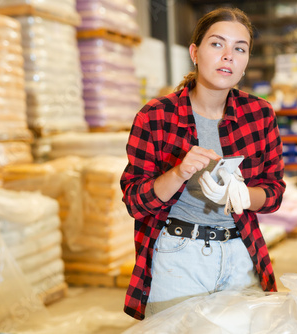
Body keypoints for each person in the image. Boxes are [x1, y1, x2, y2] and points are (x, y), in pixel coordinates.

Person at [120, 7, 285, 320]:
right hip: (178, 256)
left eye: (240, 48)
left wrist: (243, 196)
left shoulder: (260, 114)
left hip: (240, 254)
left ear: (247, 60)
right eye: (217, 44)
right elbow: (135, 201)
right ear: (195, 52)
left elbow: (274, 190)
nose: (228, 56)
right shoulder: (155, 116)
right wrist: (178, 172)